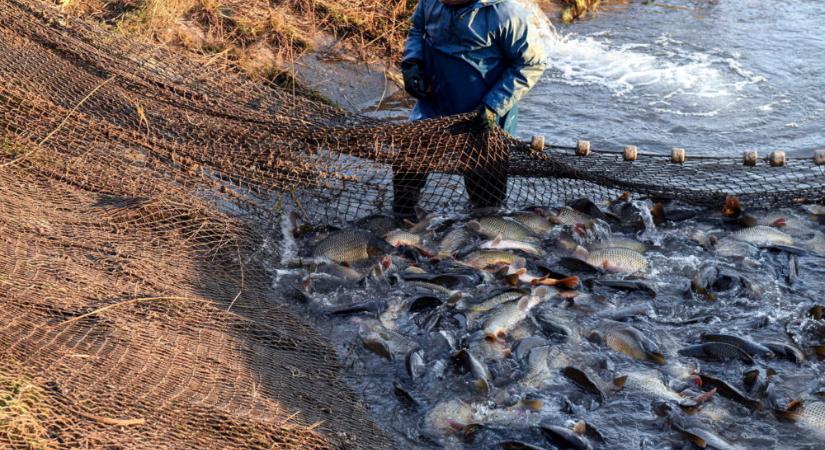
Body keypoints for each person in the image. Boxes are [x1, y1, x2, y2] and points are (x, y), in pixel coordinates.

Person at [394, 0, 547, 219]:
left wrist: (493, 105)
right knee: (406, 175)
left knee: (486, 208)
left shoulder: (506, 13)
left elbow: (532, 63)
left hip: (485, 119)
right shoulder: (430, 3)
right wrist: (412, 62)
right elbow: (417, 29)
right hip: (434, 108)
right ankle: (401, 221)